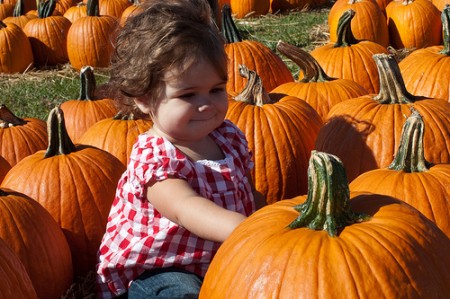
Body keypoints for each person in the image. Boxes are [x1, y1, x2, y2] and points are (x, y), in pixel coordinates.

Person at [96, 0, 266, 298]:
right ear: (144, 98)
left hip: (223, 255)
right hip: (161, 269)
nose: (206, 104)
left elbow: (250, 195)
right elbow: (186, 208)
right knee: (180, 294)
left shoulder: (229, 138)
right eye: (188, 95)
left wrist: (271, 221)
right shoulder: (156, 156)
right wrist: (248, 229)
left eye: (216, 90)